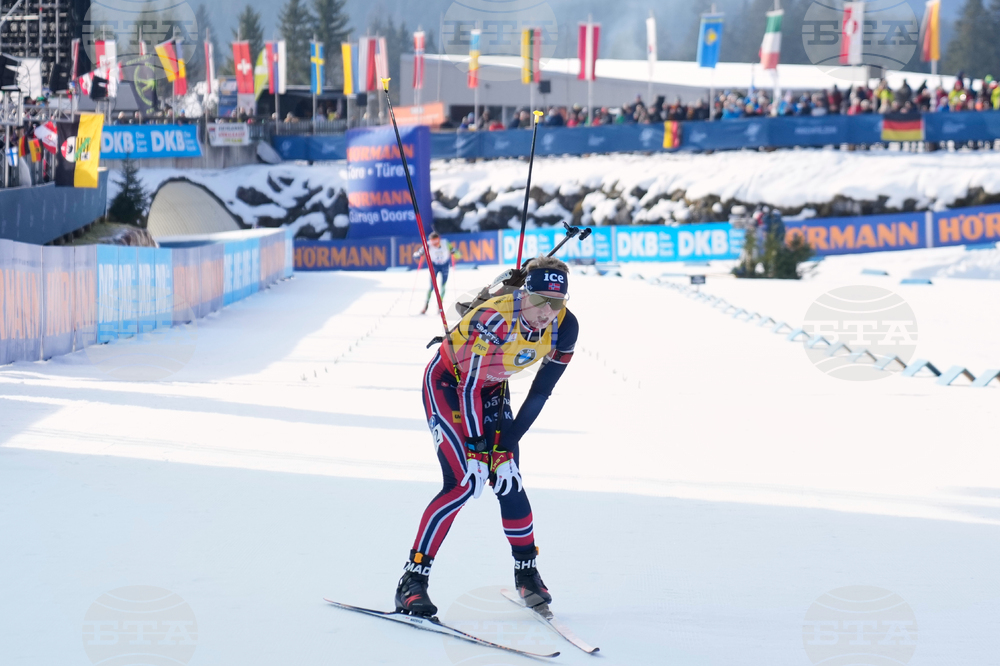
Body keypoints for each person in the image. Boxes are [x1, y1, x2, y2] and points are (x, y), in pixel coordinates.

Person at [395, 256, 580, 617]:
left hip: (492, 389)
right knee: (463, 482)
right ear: (524, 293)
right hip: (450, 385)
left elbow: (540, 393)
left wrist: (505, 447)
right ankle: (412, 581)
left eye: (556, 302)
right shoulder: (494, 319)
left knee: (508, 479)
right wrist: (480, 452)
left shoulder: (565, 327)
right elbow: (468, 388)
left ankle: (527, 573)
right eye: (541, 299)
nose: (547, 312)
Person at [413, 232, 461, 315]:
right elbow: (416, 254)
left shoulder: (445, 242)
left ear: (439, 239)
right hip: (434, 266)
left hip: (445, 265)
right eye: (432, 242)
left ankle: (440, 307)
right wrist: (419, 253)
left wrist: (454, 252)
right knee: (431, 287)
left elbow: (458, 254)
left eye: (436, 241)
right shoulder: (428, 244)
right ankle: (426, 306)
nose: (434, 244)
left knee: (443, 286)